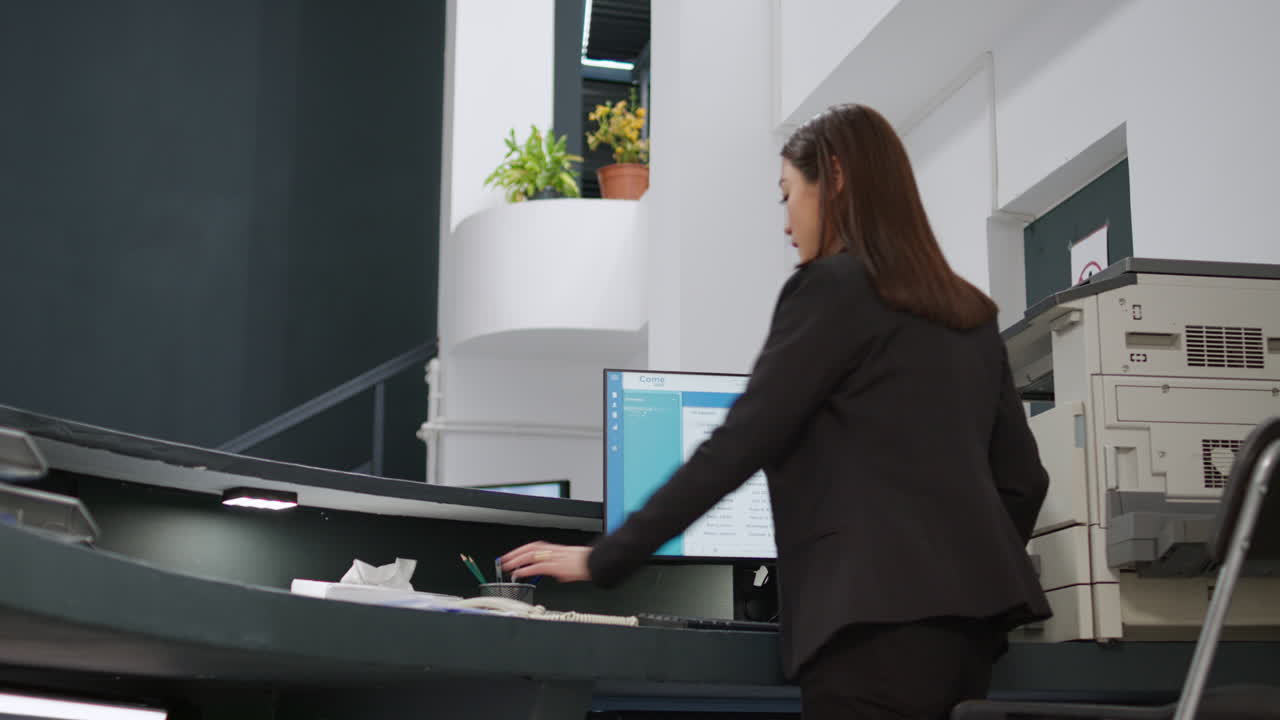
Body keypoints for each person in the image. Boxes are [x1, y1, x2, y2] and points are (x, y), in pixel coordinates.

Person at [502, 103, 1052, 719]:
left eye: (788, 192)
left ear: (835, 177)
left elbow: (741, 441)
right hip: (971, 634)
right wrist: (960, 570)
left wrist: (605, 558)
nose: (786, 220)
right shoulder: (969, 314)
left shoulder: (834, 286)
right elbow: (1024, 481)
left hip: (866, 630)